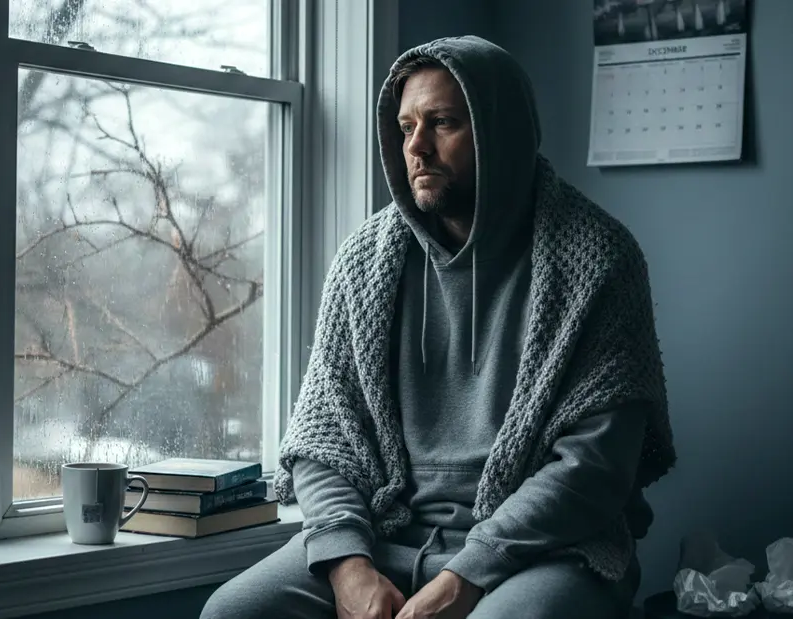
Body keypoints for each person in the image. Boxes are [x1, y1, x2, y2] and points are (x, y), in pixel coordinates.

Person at [200, 35, 676, 619]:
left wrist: (466, 576)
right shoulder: (365, 260)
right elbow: (324, 439)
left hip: (545, 551)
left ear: (500, 133)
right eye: (405, 128)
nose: (416, 147)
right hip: (384, 537)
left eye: (442, 122)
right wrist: (348, 565)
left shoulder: (597, 260)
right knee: (232, 613)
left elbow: (594, 469)